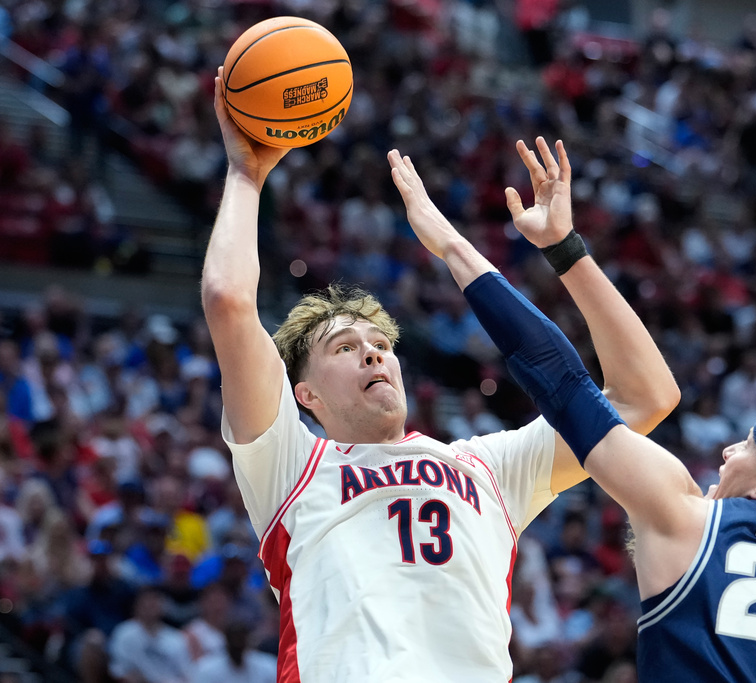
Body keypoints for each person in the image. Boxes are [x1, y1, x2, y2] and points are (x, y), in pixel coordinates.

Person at [387, 141, 756, 682]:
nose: (728, 449)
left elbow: (562, 382)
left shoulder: (690, 519)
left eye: (750, 446)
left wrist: (456, 246)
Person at [202, 70, 679, 682]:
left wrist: (560, 250)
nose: (373, 354)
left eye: (380, 343)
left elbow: (644, 397)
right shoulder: (291, 464)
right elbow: (227, 298)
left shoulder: (488, 466)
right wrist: (247, 174)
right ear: (306, 395)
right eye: (346, 348)